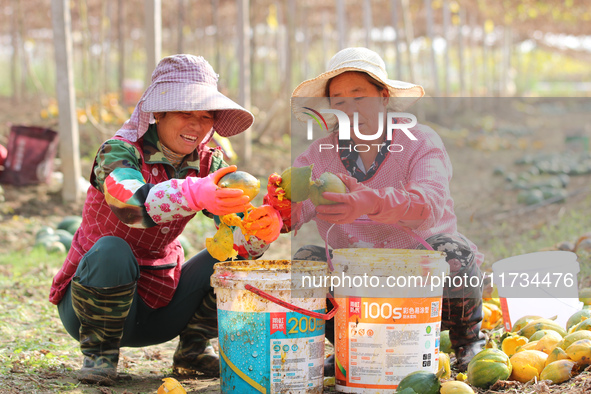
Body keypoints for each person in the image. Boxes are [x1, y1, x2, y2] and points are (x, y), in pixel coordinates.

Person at [49, 54, 280, 384]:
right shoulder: (119, 151)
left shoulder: (210, 164)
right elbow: (130, 206)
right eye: (186, 112)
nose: (197, 125)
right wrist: (194, 193)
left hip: (160, 308)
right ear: (158, 112)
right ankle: (100, 355)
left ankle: (194, 351)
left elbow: (240, 241)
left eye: (205, 116)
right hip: (89, 309)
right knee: (112, 251)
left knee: (230, 260)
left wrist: (258, 232)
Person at [264, 47, 485, 373]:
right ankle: (347, 346)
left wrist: (370, 201)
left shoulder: (419, 142)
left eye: (359, 96)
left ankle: (468, 342)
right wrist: (279, 207)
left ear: (383, 97)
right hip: (356, 286)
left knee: (454, 251)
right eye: (339, 101)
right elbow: (293, 214)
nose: (349, 109)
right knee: (305, 264)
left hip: (418, 284)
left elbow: (430, 204)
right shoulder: (320, 156)